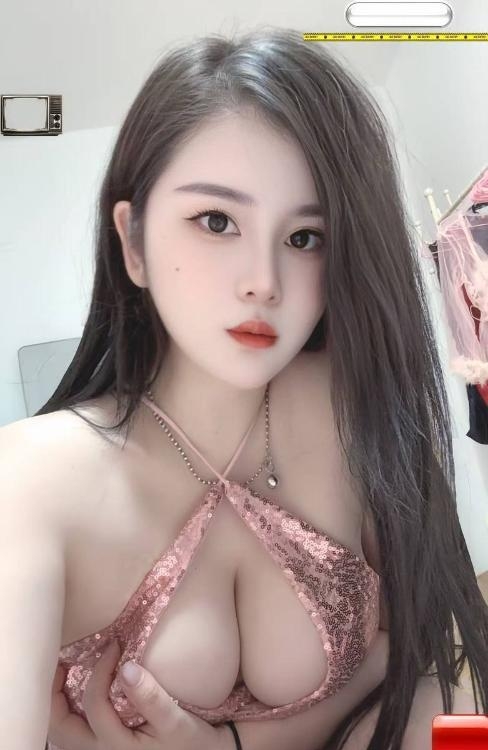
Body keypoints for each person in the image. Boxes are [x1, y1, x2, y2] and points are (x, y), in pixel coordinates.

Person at [2, 25, 486, 750]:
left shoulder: (348, 406)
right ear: (132, 243)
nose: (264, 280)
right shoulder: (31, 480)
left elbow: (419, 654)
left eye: (304, 238)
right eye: (216, 221)